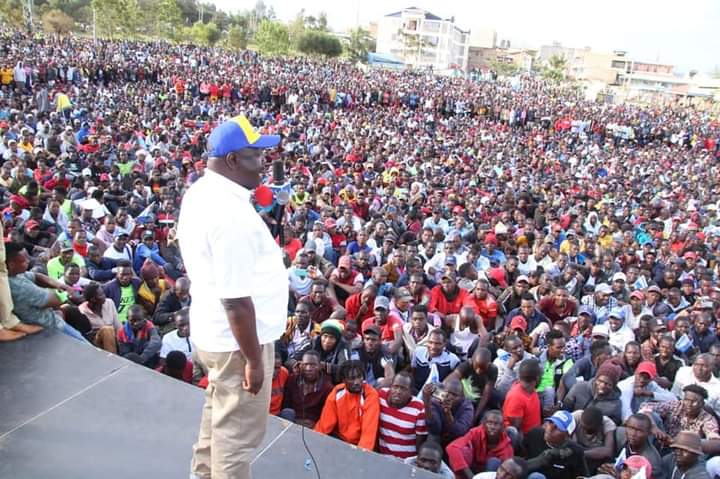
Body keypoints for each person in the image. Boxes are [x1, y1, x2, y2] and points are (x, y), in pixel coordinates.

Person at [178, 115, 288, 479]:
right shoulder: (229, 215)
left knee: (219, 415)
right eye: (255, 155)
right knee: (237, 436)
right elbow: (236, 301)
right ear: (232, 161)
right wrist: (255, 361)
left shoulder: (202, 191)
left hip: (218, 334)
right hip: (238, 342)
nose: (263, 163)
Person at [5, 242, 85, 341]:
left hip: (50, 320)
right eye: (24, 260)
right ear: (11, 264)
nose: (28, 260)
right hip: (48, 328)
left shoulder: (15, 274)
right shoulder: (19, 287)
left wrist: (61, 285)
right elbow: (54, 300)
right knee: (86, 347)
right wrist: (68, 293)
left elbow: (37, 276)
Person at [314, 360, 380, 451]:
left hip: (360, 445)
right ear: (344, 380)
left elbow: (368, 433)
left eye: (359, 377)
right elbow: (324, 425)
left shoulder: (370, 395)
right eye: (352, 378)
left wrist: (360, 455)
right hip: (339, 440)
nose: (357, 382)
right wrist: (313, 441)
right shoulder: (337, 392)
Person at [640, 384, 720, 455]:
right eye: (686, 399)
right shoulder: (676, 405)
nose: (689, 404)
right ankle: (645, 452)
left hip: (686, 452)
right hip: (662, 441)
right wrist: (654, 427)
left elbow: (716, 443)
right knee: (649, 416)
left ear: (702, 404)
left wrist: (680, 442)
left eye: (694, 401)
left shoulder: (707, 418)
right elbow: (645, 406)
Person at [446, 409, 513, 478]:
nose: (492, 427)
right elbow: (452, 447)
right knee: (464, 451)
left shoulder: (507, 446)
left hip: (490, 473)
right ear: (484, 424)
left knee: (494, 462)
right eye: (489, 423)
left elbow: (507, 470)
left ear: (502, 427)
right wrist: (470, 475)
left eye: (496, 424)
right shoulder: (475, 432)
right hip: (470, 469)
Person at [523, 410, 589, 479]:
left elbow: (582, 476)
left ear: (567, 436)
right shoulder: (535, 434)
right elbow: (520, 461)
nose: (550, 428)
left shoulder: (575, 451)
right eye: (551, 422)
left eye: (557, 427)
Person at [377, 372, 428, 459]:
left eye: (403, 389)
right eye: (395, 386)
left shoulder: (419, 408)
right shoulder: (381, 395)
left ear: (411, 391)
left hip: (406, 461)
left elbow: (420, 442)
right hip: (382, 458)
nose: (398, 392)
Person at [280, 350, 334, 427]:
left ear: (319, 366)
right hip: (291, 421)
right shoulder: (292, 380)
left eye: (313, 365)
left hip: (313, 426)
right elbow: (285, 405)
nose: (309, 368)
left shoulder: (327, 387)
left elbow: (326, 414)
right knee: (287, 412)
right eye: (305, 364)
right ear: (301, 365)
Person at [563, 359, 623, 425]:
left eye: (608, 384)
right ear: (595, 378)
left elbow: (612, 424)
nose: (602, 386)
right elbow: (566, 408)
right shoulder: (579, 387)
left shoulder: (615, 404)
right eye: (600, 381)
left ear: (614, 386)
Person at [449, 347, 499, 424]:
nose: (478, 371)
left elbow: (486, 395)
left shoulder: (493, 370)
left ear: (489, 364)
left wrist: (475, 415)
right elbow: (450, 379)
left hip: (479, 402)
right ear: (472, 361)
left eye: (482, 368)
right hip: (463, 400)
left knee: (484, 420)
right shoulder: (466, 365)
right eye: (477, 366)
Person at [503, 358, 542, 442]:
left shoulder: (530, 388)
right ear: (537, 378)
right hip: (526, 439)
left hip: (536, 432)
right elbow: (516, 429)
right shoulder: (516, 397)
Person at [570, 406, 616, 474]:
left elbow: (608, 451)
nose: (585, 431)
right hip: (575, 450)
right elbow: (564, 433)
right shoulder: (576, 416)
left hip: (593, 457)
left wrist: (581, 453)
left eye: (589, 430)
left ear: (600, 425)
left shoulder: (608, 424)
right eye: (583, 427)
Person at [78, 281, 120, 353]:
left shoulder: (109, 303)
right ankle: (112, 360)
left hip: (113, 337)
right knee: (107, 330)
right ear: (93, 299)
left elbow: (118, 326)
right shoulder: (82, 311)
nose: (104, 296)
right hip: (95, 342)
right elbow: (87, 334)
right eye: (101, 294)